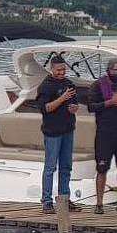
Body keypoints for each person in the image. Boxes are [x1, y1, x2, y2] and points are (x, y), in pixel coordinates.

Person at [87, 58, 117, 214]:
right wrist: (110, 102)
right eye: (115, 70)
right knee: (102, 168)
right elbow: (90, 106)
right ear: (108, 70)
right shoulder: (98, 85)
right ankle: (99, 203)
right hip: (104, 131)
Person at [36, 55, 82, 214]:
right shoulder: (45, 86)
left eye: (63, 69)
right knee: (50, 167)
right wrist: (62, 99)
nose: (62, 72)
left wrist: (74, 107)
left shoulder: (69, 84)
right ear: (51, 69)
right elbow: (45, 108)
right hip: (52, 132)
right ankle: (47, 201)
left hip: (68, 129)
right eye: (58, 70)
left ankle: (64, 198)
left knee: (66, 167)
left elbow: (74, 103)